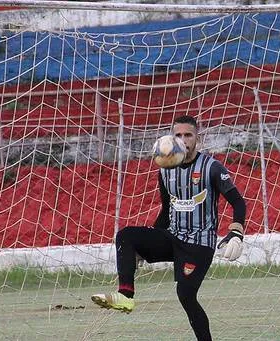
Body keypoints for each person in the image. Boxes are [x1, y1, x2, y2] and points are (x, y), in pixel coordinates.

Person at [92, 115, 247, 341]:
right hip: (173, 237)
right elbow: (167, 209)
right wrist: (149, 242)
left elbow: (238, 202)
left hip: (199, 244)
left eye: (188, 135)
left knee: (185, 294)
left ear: (197, 139)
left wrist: (236, 232)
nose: (183, 140)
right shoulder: (165, 168)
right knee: (126, 236)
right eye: (178, 135)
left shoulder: (212, 167)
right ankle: (125, 295)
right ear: (171, 137)